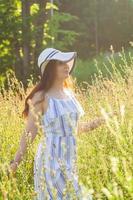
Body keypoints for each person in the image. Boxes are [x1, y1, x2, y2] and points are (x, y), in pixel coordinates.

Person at [9, 48, 114, 199]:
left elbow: (75, 129)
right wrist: (15, 162)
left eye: (66, 63)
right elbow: (30, 133)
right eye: (60, 63)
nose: (66, 66)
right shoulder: (41, 97)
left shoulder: (70, 94)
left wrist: (104, 118)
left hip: (70, 160)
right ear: (50, 69)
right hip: (50, 161)